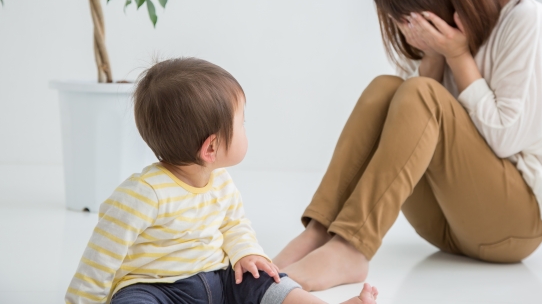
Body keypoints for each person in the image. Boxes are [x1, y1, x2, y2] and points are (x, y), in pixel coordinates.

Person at [273, 0, 542, 292]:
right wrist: (434, 55)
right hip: (446, 225)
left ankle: (352, 248)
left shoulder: (526, 19)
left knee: (418, 94)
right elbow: (416, 131)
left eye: (415, 18)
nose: (409, 30)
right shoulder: (437, 37)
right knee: (387, 88)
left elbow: (505, 139)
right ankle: (321, 233)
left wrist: (459, 55)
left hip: (514, 225)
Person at [65, 58, 379, 304]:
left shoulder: (220, 181)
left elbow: (234, 225)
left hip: (218, 281)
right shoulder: (144, 194)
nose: (245, 127)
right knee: (134, 301)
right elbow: (101, 258)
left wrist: (246, 253)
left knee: (265, 277)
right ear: (211, 147)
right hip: (156, 290)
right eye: (241, 122)